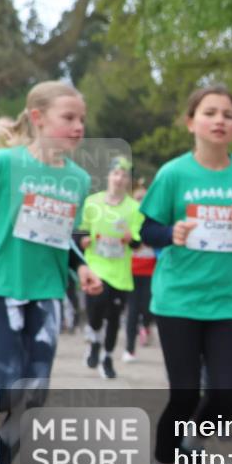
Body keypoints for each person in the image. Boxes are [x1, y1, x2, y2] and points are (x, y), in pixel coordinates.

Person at [138, 85, 232, 464]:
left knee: (228, 394)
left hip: (227, 302)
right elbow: (147, 229)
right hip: (177, 299)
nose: (219, 120)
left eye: (228, 114)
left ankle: (191, 446)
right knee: (184, 393)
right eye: (210, 112)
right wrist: (169, 233)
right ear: (191, 122)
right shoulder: (174, 174)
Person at [0, 82, 103, 464]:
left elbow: (65, 238)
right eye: (68, 118)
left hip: (47, 295)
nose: (78, 127)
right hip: (2, 291)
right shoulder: (0, 165)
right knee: (8, 386)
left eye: (81, 120)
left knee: (33, 396)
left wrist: (82, 268)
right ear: (37, 117)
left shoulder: (78, 179)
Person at [79, 156, 143, 379]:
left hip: (120, 273)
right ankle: (94, 341)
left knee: (114, 318)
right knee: (95, 312)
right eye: (116, 173)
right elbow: (80, 229)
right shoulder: (92, 202)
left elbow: (138, 242)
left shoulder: (134, 208)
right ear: (108, 175)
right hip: (95, 267)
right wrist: (83, 240)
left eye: (124, 174)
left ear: (128, 180)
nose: (119, 178)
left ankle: (107, 357)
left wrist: (130, 239)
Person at [125, 179, 156, 359]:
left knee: (148, 308)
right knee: (133, 310)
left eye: (144, 198)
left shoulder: (153, 219)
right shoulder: (128, 218)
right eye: (138, 198)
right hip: (131, 271)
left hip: (151, 271)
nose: (141, 201)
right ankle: (129, 349)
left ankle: (146, 326)